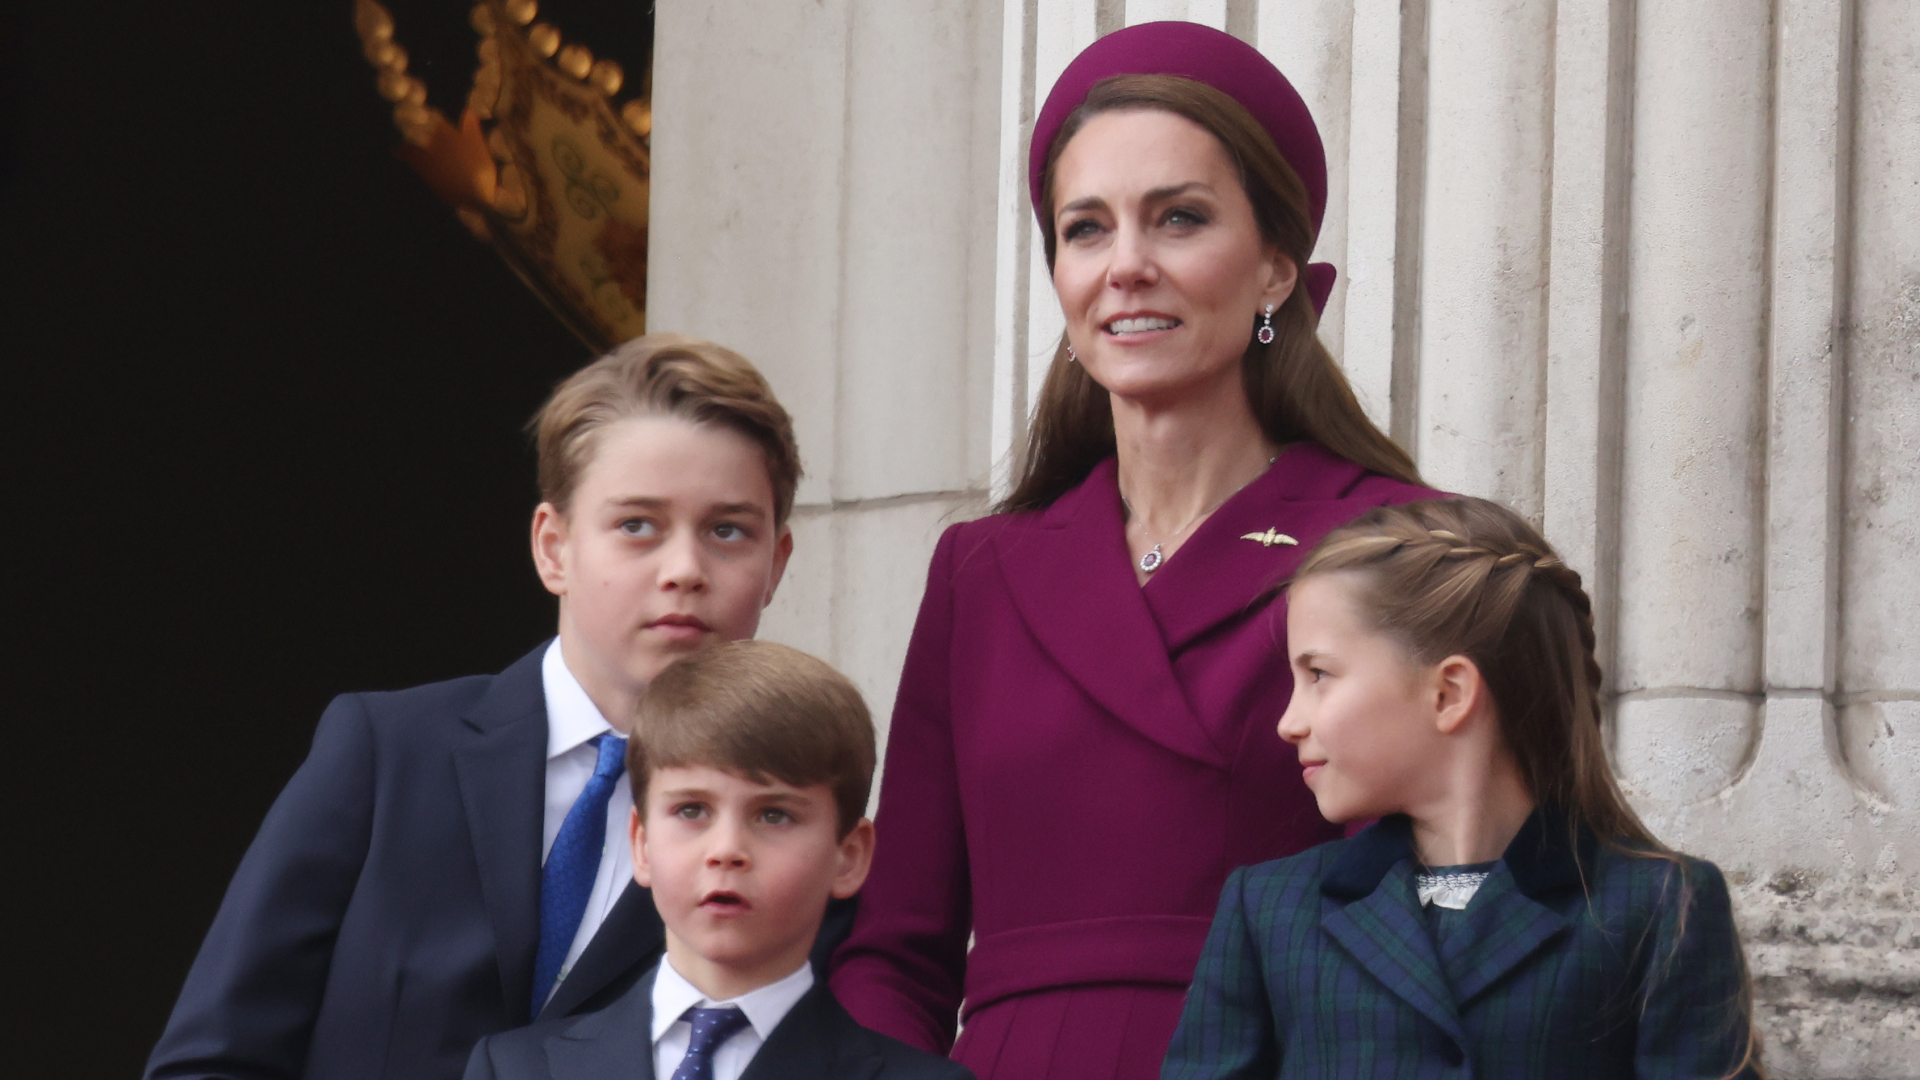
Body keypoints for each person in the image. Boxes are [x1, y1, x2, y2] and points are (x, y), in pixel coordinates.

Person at [830, 21, 1443, 1080]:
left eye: (1180, 219)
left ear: (1272, 273)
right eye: (1085, 229)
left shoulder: (1399, 544)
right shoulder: (980, 571)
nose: (1126, 267)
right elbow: (898, 952)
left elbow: (1427, 910)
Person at [147, 335, 855, 1080]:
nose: (685, 570)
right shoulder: (387, 754)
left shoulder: (796, 839)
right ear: (554, 547)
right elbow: (211, 1059)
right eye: (637, 525)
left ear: (775, 564)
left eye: (727, 531)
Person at [1163, 497, 1761, 1079]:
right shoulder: (1271, 910)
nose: (1288, 722)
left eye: (1318, 674)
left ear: (1448, 693)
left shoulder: (1657, 907)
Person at [463, 641, 975, 1080]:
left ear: (849, 856)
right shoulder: (515, 1069)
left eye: (774, 815)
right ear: (640, 841)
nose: (726, 849)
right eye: (691, 810)